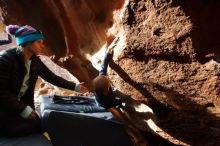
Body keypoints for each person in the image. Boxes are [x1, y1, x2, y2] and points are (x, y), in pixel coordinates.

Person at [0, 24, 88, 137]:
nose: (42, 45)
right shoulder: (6, 59)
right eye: (39, 42)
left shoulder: (35, 61)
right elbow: (1, 91)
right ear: (28, 42)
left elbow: (52, 77)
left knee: (40, 123)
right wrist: (22, 109)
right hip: (5, 110)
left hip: (19, 108)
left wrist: (75, 87)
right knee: (36, 126)